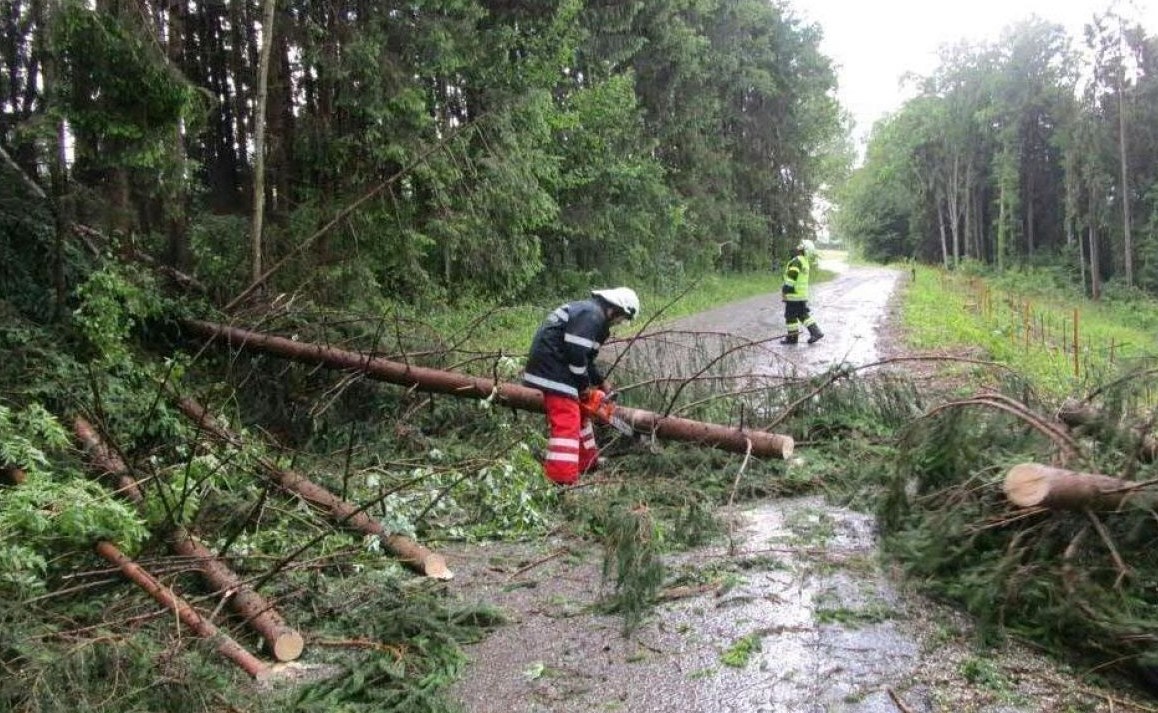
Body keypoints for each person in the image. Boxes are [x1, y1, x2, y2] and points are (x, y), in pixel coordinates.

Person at [522, 287, 640, 485]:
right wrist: (584, 387)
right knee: (568, 418)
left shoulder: (595, 319)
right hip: (552, 368)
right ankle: (561, 479)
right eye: (622, 318)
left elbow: (587, 360)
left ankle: (587, 462)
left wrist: (601, 382)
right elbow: (576, 354)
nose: (620, 322)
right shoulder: (590, 315)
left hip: (559, 366)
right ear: (615, 310)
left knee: (582, 413)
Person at [781, 239, 824, 345]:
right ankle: (816, 332)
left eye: (801, 247)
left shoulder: (797, 261)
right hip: (801, 295)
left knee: (790, 316)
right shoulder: (805, 262)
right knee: (803, 315)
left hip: (793, 294)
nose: (798, 248)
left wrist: (786, 288)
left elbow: (792, 276)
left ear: (803, 250)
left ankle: (792, 338)